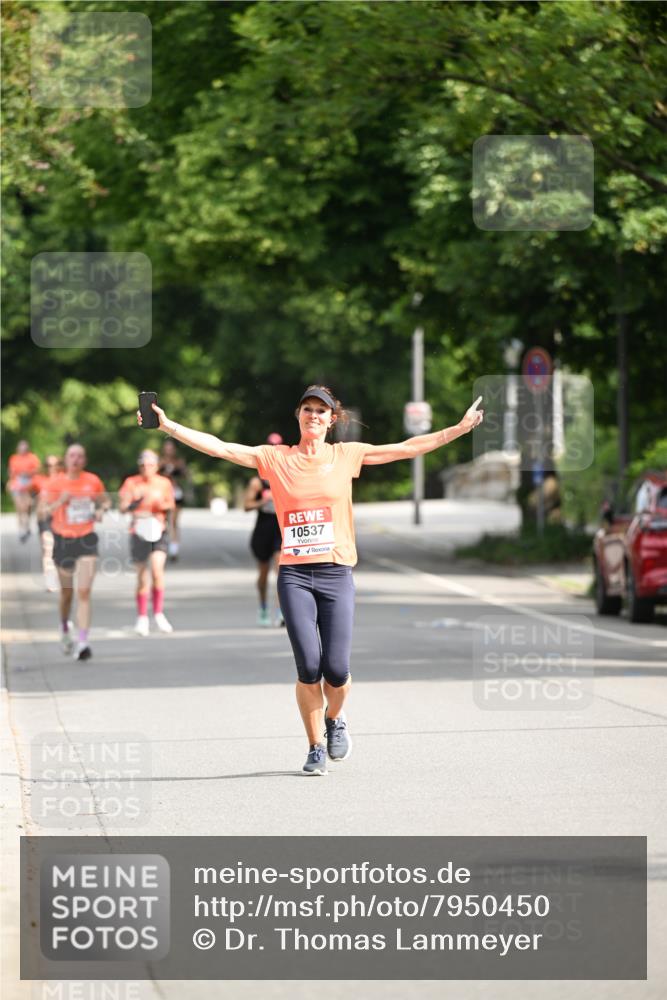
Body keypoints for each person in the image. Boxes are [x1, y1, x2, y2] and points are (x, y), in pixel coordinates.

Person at [138, 385, 484, 775]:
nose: (314, 415)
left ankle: (336, 719)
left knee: (336, 669)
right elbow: (220, 447)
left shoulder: (346, 456)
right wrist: (170, 427)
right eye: (308, 409)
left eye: (322, 411)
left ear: (332, 419)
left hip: (336, 573)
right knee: (309, 666)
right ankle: (315, 745)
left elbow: (406, 447)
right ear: (298, 416)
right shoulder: (276, 459)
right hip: (295, 576)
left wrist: (457, 429)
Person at [41, 443, 109, 661]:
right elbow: (42, 512)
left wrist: (100, 510)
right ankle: (63, 626)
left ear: (85, 460)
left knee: (84, 592)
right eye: (72, 455)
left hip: (87, 539)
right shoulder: (55, 483)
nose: (76, 459)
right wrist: (61, 500)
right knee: (67, 593)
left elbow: (105, 500)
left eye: (80, 456)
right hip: (63, 540)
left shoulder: (92, 480)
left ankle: (83, 642)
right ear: (66, 459)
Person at [119, 449, 176, 636]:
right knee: (142, 577)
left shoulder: (164, 483)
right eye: (143, 465)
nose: (146, 468)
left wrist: (160, 505)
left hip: (159, 529)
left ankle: (158, 614)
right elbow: (123, 507)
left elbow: (171, 504)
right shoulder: (131, 482)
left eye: (150, 464)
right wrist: (137, 503)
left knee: (158, 572)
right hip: (139, 531)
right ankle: (142, 617)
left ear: (157, 466)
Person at [244, 432, 284, 627]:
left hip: (280, 529)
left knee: (281, 570)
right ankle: (263, 607)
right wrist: (263, 501)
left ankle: (282, 611)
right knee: (263, 573)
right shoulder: (257, 481)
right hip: (262, 530)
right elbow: (246, 505)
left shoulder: (285, 476)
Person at [33, 454, 63, 591]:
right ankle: (50, 580)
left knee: (58, 550)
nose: (52, 468)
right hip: (44, 518)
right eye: (49, 465)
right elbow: (29, 494)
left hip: (60, 519)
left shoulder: (64, 479)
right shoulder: (39, 480)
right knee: (47, 548)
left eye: (55, 465)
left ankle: (59, 576)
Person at [159, 440, 189, 561]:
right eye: (167, 448)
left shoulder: (179, 462)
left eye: (171, 448)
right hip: (162, 493)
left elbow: (185, 476)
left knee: (174, 522)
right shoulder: (159, 462)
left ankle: (174, 548)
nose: (169, 450)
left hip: (176, 492)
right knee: (164, 521)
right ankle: (162, 546)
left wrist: (177, 473)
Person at [6, 440, 41, 542]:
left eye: (25, 448)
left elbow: (37, 469)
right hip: (17, 482)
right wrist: (11, 481)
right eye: (21, 448)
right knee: (19, 506)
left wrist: (28, 473)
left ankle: (27, 524)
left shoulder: (32, 457)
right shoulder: (14, 458)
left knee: (27, 505)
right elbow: (11, 471)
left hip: (29, 482)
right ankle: (21, 528)